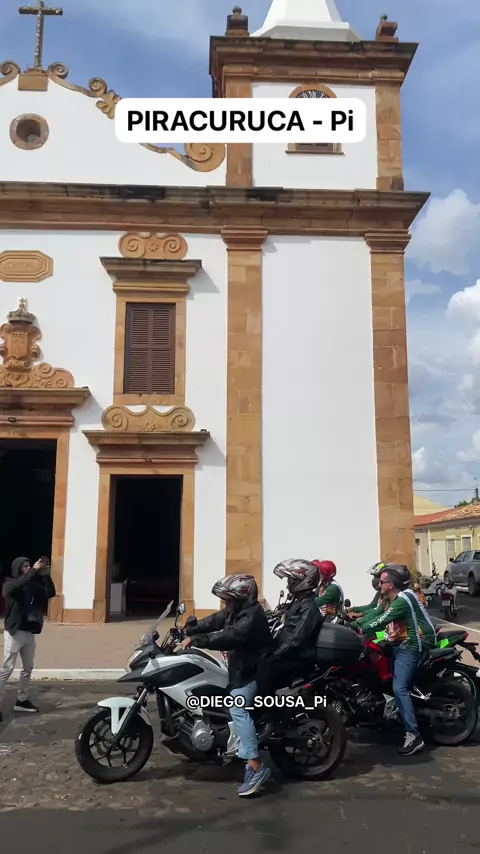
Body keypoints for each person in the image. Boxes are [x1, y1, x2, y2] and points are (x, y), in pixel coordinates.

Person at [180, 574, 272, 797]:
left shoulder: (250, 616)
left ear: (240, 598)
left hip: (254, 673)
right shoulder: (235, 611)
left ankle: (255, 766)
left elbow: (232, 636)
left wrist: (199, 640)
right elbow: (215, 620)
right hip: (240, 670)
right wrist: (191, 629)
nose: (225, 603)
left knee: (237, 707)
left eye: (229, 599)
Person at [351, 564, 435, 757]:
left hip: (411, 645)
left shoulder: (402, 601)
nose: (378, 584)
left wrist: (359, 627)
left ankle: (414, 736)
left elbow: (380, 621)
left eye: (382, 581)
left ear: (391, 584)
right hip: (397, 642)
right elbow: (376, 613)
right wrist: (351, 621)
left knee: (399, 688)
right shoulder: (391, 598)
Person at [255, 559, 324, 735]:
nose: (288, 585)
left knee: (265, 670)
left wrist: (275, 654)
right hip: (292, 654)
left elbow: (296, 638)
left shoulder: (308, 607)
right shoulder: (298, 602)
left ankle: (271, 719)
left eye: (291, 581)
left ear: (303, 581)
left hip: (300, 658)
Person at [0, 556, 56, 722]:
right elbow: (17, 585)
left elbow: (50, 593)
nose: (28, 568)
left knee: (28, 667)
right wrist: (33, 572)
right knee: (7, 668)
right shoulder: (10, 584)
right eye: (24, 566)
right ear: (17, 569)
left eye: (29, 565)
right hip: (14, 633)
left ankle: (22, 700)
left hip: (29, 633)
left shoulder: (31, 585)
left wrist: (45, 576)